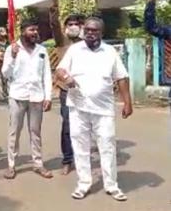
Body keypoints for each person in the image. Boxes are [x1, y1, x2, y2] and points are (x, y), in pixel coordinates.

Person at [56, 17, 133, 201]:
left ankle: (111, 185)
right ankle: (84, 184)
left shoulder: (110, 52)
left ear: (101, 33)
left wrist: (127, 102)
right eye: (88, 29)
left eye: (95, 30)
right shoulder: (75, 50)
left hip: (103, 109)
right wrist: (66, 76)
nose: (90, 33)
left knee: (107, 145)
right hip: (78, 108)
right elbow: (59, 70)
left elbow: (121, 77)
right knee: (80, 147)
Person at [2, 19, 53, 180]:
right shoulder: (12, 49)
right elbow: (5, 74)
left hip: (36, 96)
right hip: (17, 96)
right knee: (14, 132)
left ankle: (38, 164)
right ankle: (11, 165)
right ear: (22, 31)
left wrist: (48, 96)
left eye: (36, 30)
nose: (35, 33)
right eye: (31, 30)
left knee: (35, 132)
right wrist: (13, 57)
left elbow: (47, 75)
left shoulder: (42, 50)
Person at [48, 0, 85, 175]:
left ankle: (82, 158)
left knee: (85, 126)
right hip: (65, 91)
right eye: (69, 24)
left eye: (76, 24)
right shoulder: (62, 41)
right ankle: (67, 159)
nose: (72, 26)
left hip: (85, 90)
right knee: (68, 125)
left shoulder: (88, 42)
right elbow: (53, 20)